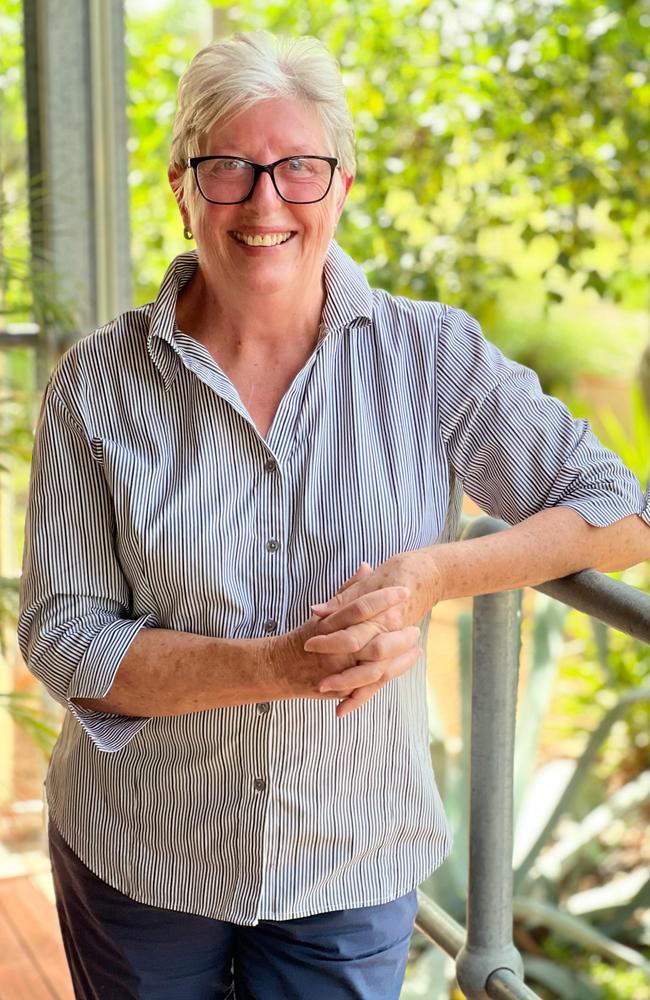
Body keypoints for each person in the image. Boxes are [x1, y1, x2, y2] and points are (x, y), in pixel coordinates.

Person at [18, 29, 650, 1000]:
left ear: (341, 187)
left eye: (299, 168)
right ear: (182, 187)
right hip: (141, 854)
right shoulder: (95, 385)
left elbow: (618, 511)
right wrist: (279, 666)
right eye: (229, 168)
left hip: (347, 857)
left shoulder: (430, 357)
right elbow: (62, 637)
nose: (265, 200)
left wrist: (435, 574)